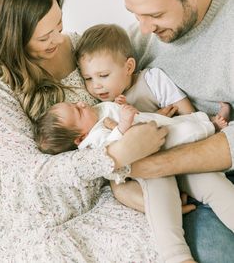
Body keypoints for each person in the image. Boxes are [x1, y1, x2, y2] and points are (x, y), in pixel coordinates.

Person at [0, 0, 169, 262]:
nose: (57, 39)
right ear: (12, 38)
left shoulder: (80, 47)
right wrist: (116, 155)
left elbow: (127, 70)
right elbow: (32, 174)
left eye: (59, 26)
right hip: (42, 218)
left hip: (105, 191)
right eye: (43, 37)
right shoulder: (3, 87)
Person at [111, 0, 234, 263]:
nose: (145, 29)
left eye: (155, 14)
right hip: (179, 174)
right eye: (135, 14)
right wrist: (124, 187)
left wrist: (151, 166)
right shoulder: (136, 42)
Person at [34, 99, 234, 263]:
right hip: (148, 169)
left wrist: (124, 107)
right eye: (77, 111)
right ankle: (177, 256)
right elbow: (111, 151)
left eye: (75, 103)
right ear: (80, 138)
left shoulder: (98, 114)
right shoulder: (91, 142)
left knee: (214, 185)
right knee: (163, 207)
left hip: (177, 154)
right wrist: (122, 125)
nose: (82, 104)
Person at [75, 23, 230, 131]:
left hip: (177, 132)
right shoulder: (102, 106)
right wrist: (153, 117)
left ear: (128, 67)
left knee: (189, 127)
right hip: (147, 146)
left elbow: (186, 111)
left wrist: (200, 121)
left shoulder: (152, 80)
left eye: (103, 75)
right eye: (88, 78)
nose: (95, 86)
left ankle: (211, 125)